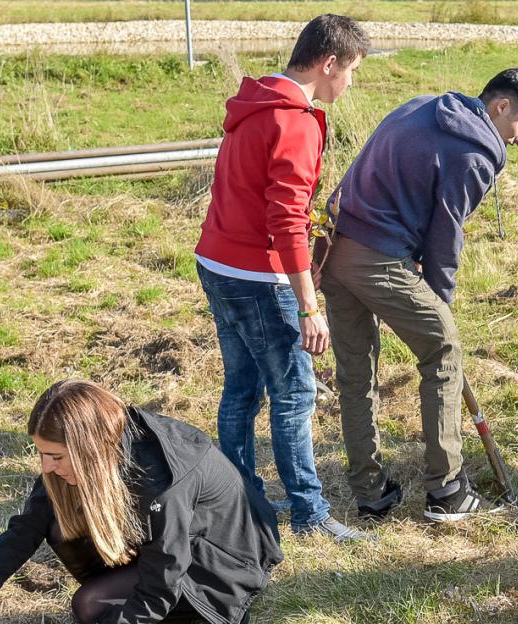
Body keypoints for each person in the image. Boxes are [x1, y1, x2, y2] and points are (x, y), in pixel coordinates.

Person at [317, 68, 518, 523]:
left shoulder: (423, 105)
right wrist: (439, 301)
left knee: (355, 372)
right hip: (378, 256)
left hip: (334, 243)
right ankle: (446, 489)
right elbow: (447, 236)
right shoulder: (477, 154)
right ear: (500, 107)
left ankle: (370, 491)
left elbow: (372, 173)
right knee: (442, 350)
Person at [193, 14, 370, 542]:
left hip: (216, 261)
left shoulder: (256, 102)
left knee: (242, 387)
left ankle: (238, 499)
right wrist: (309, 306)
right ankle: (310, 514)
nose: (350, 83)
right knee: (294, 393)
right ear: (329, 62)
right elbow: (287, 221)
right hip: (258, 275)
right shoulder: (294, 122)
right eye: (352, 70)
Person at [0, 381, 283, 624]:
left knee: (90, 605)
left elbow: (164, 577)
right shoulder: (97, 450)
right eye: (42, 454)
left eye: (55, 456)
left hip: (219, 565)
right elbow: (26, 528)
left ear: (88, 448)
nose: (46, 466)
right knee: (59, 523)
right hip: (168, 554)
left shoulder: (160, 481)